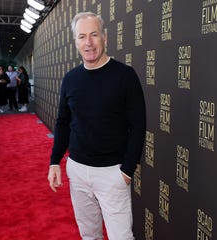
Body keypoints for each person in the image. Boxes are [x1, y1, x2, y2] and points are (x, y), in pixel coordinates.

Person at [47, 12, 146, 239]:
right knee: (89, 235)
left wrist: (126, 171)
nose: (88, 42)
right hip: (78, 170)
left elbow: (138, 125)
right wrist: (54, 161)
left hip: (113, 173)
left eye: (94, 35)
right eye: (82, 36)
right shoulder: (70, 79)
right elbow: (62, 122)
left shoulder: (125, 76)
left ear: (105, 37)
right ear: (76, 42)